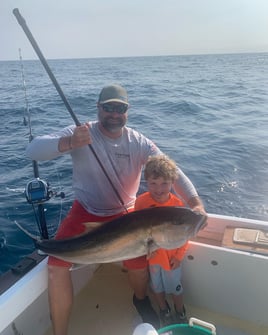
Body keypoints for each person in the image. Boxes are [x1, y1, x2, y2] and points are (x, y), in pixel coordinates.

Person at [26, 84, 206, 335]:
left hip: (125, 214)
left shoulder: (138, 141)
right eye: (108, 107)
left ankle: (140, 299)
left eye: (119, 108)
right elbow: (33, 149)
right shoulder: (82, 132)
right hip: (85, 210)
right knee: (56, 267)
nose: (113, 113)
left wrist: (195, 203)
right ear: (98, 108)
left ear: (127, 111)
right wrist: (68, 142)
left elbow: (173, 173)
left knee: (139, 268)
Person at [135, 155, 189, 327]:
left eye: (164, 183)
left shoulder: (177, 205)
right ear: (146, 182)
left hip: (172, 259)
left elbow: (185, 235)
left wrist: (179, 256)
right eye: (153, 183)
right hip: (152, 257)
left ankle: (180, 312)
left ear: (173, 182)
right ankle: (163, 309)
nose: (159, 189)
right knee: (156, 288)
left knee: (175, 288)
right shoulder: (141, 202)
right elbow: (136, 231)